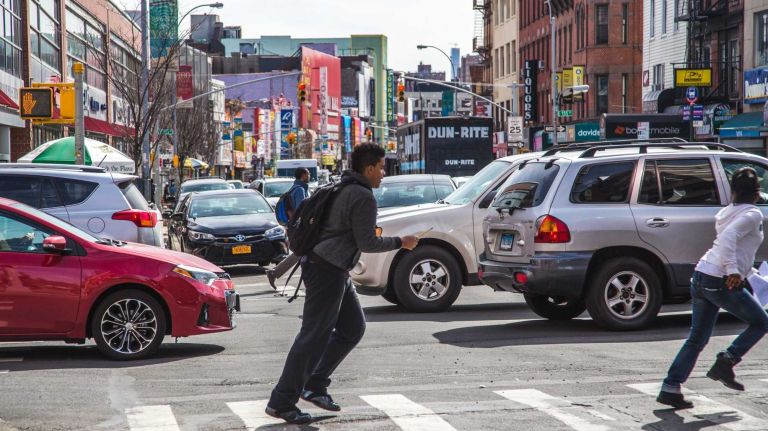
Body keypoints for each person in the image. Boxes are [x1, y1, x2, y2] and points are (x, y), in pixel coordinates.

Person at [265, 144, 419, 424]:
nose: (383, 174)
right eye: (382, 167)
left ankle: (315, 384)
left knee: (352, 327)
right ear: (369, 168)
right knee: (312, 336)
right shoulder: (362, 196)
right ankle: (282, 400)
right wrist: (402, 243)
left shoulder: (342, 186)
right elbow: (368, 243)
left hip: (331, 267)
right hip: (327, 270)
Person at [657, 167, 768, 409]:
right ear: (756, 192)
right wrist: (733, 271)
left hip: (702, 275)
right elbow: (728, 241)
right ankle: (726, 361)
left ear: (734, 191)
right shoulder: (753, 214)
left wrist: (749, 273)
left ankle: (670, 387)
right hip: (720, 279)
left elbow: (737, 248)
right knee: (761, 322)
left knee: (697, 338)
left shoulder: (728, 212)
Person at [266, 168, 310, 288]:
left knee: (301, 253)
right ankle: (274, 273)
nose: (309, 175)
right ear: (303, 175)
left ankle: (274, 273)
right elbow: (302, 210)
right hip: (300, 228)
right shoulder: (300, 190)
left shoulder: (296, 188)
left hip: (294, 226)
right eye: (308, 174)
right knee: (302, 253)